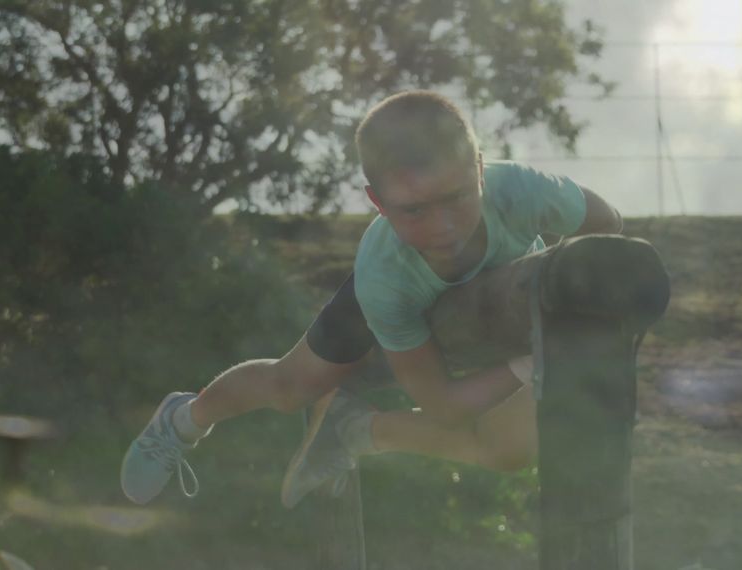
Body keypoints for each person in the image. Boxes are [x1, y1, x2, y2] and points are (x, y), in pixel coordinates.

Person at [120, 90, 624, 507]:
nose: (444, 228)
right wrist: (529, 363)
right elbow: (443, 405)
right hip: (393, 296)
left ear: (479, 167)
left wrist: (556, 305)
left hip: (505, 301)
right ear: (377, 203)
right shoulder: (383, 276)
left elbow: (608, 227)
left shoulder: (521, 192)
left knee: (510, 451)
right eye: (414, 209)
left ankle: (354, 430)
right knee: (288, 387)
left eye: (456, 197)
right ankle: (183, 419)